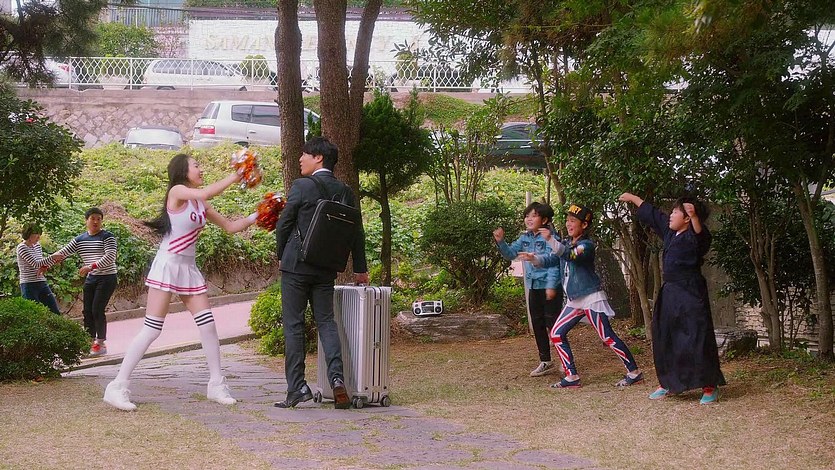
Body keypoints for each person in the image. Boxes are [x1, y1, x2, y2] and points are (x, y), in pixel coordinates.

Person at [103, 153, 257, 411]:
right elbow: (206, 192)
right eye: (196, 165)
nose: (201, 169)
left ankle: (216, 384)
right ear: (183, 171)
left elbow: (230, 227)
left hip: (188, 268)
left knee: (207, 325)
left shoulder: (200, 203)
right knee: (152, 329)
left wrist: (259, 215)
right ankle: (117, 386)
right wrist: (237, 174)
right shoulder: (178, 191)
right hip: (168, 265)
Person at [274, 136, 369, 409]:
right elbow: (356, 233)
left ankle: (296, 388)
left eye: (305, 154)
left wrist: (281, 255)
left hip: (296, 266)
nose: (300, 158)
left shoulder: (302, 186)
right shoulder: (345, 191)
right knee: (326, 322)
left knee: (294, 325)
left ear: (318, 158)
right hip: (326, 268)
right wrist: (360, 269)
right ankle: (337, 379)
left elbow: (284, 224)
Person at [520, 204, 643, 389]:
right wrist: (534, 259)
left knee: (607, 336)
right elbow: (554, 258)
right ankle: (572, 376)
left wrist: (550, 240)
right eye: (567, 220)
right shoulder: (566, 243)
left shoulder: (587, 246)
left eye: (573, 221)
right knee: (556, 333)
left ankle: (634, 372)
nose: (568, 224)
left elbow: (570, 255)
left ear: (584, 225)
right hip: (575, 300)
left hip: (591, 297)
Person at [619, 192, 726, 404]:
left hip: (691, 291)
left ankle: (708, 386)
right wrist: (633, 198)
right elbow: (654, 215)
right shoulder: (670, 233)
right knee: (666, 336)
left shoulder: (694, 236)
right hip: (670, 292)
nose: (670, 215)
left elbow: (702, 238)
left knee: (696, 336)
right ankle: (669, 383)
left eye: (676, 212)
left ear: (686, 218)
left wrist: (694, 217)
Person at [494, 202, 563, 377]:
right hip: (533, 286)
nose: (529, 219)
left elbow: (554, 263)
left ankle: (565, 361)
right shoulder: (524, 238)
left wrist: (551, 286)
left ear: (544, 220)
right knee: (538, 325)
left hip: (550, 288)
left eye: (534, 216)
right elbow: (511, 254)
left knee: (554, 326)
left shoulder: (551, 237)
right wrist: (501, 241)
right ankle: (545, 361)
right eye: (527, 216)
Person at [53, 208, 118, 356]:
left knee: (97, 309)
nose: (96, 222)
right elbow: (63, 252)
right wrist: (46, 263)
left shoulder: (108, 237)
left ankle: (100, 343)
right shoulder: (80, 240)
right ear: (86, 220)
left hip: (107, 277)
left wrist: (91, 266)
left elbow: (110, 256)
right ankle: (88, 341)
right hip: (91, 278)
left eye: (99, 219)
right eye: (92, 218)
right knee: (87, 311)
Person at [16, 223, 64, 315]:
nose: (39, 237)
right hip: (28, 284)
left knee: (54, 311)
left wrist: (51, 262)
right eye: (36, 234)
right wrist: (53, 257)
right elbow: (36, 264)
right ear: (29, 235)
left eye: (39, 234)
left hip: (41, 281)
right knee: (33, 314)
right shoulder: (22, 247)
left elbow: (42, 263)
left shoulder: (37, 246)